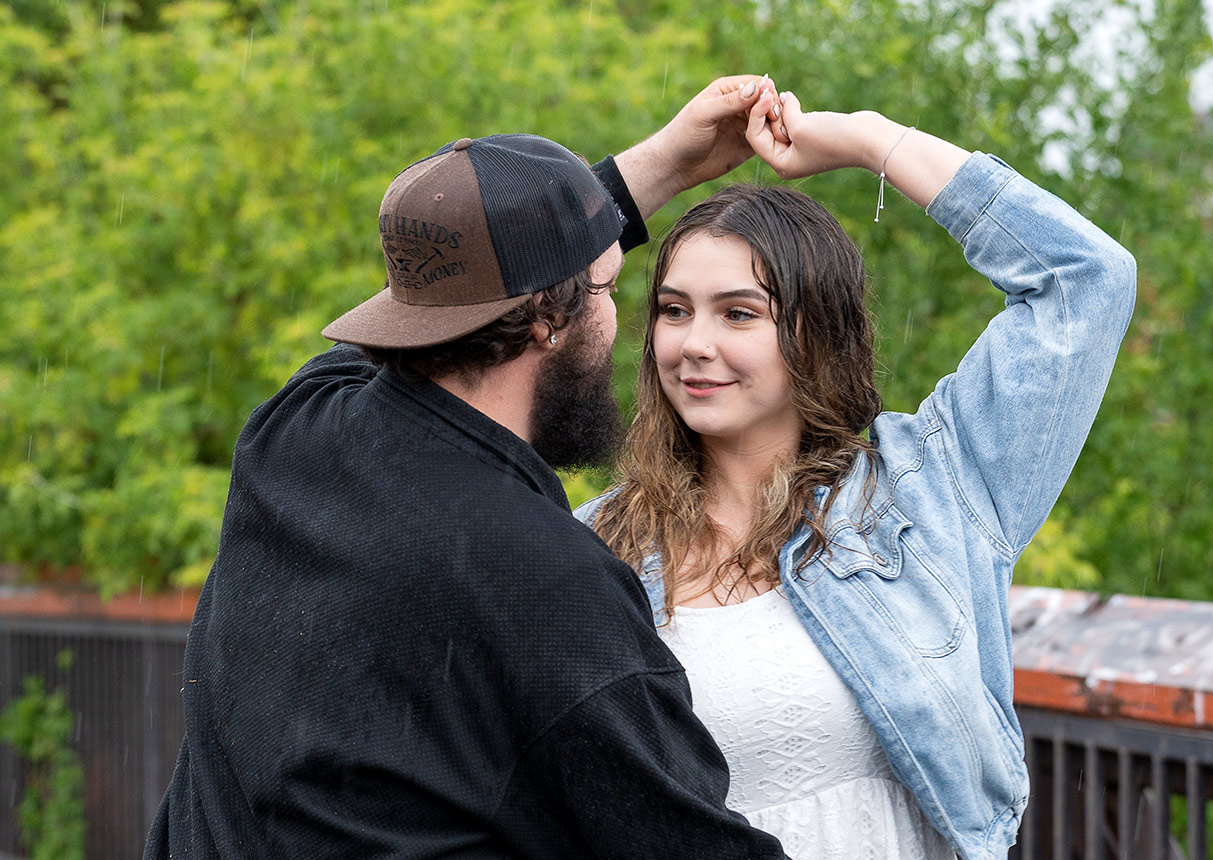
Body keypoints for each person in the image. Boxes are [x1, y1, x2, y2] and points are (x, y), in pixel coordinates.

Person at [144, 76, 800, 859]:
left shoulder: (296, 430)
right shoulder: (549, 582)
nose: (619, 314)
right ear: (548, 322)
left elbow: (434, 297)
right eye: (608, 290)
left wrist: (661, 162)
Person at [576, 90, 1137, 860]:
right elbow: (424, 345)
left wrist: (870, 141)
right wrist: (655, 170)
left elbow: (1084, 281)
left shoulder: (934, 487)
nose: (692, 345)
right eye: (674, 310)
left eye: (738, 314)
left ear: (816, 331)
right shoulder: (596, 542)